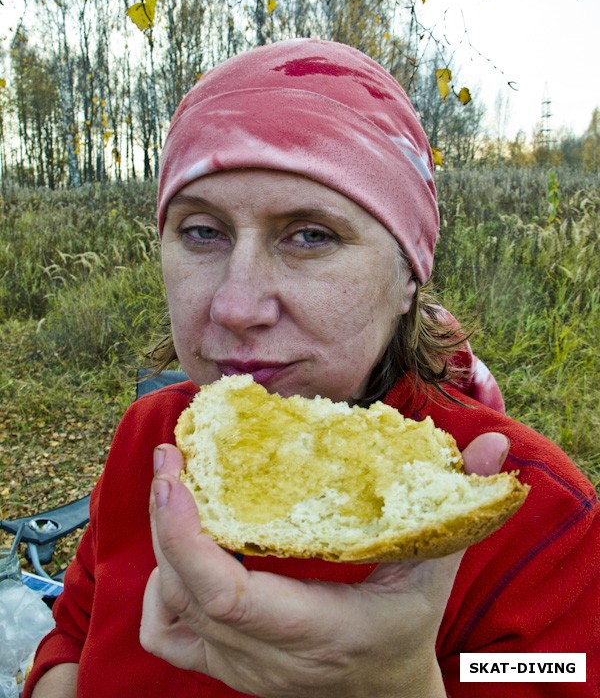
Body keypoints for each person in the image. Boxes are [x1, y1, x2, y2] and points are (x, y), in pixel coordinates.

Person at [25, 39, 598, 698]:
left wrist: (402, 685)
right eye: (202, 232)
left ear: (410, 274)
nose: (235, 305)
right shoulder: (150, 439)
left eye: (310, 235)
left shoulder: (538, 521)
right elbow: (74, 630)